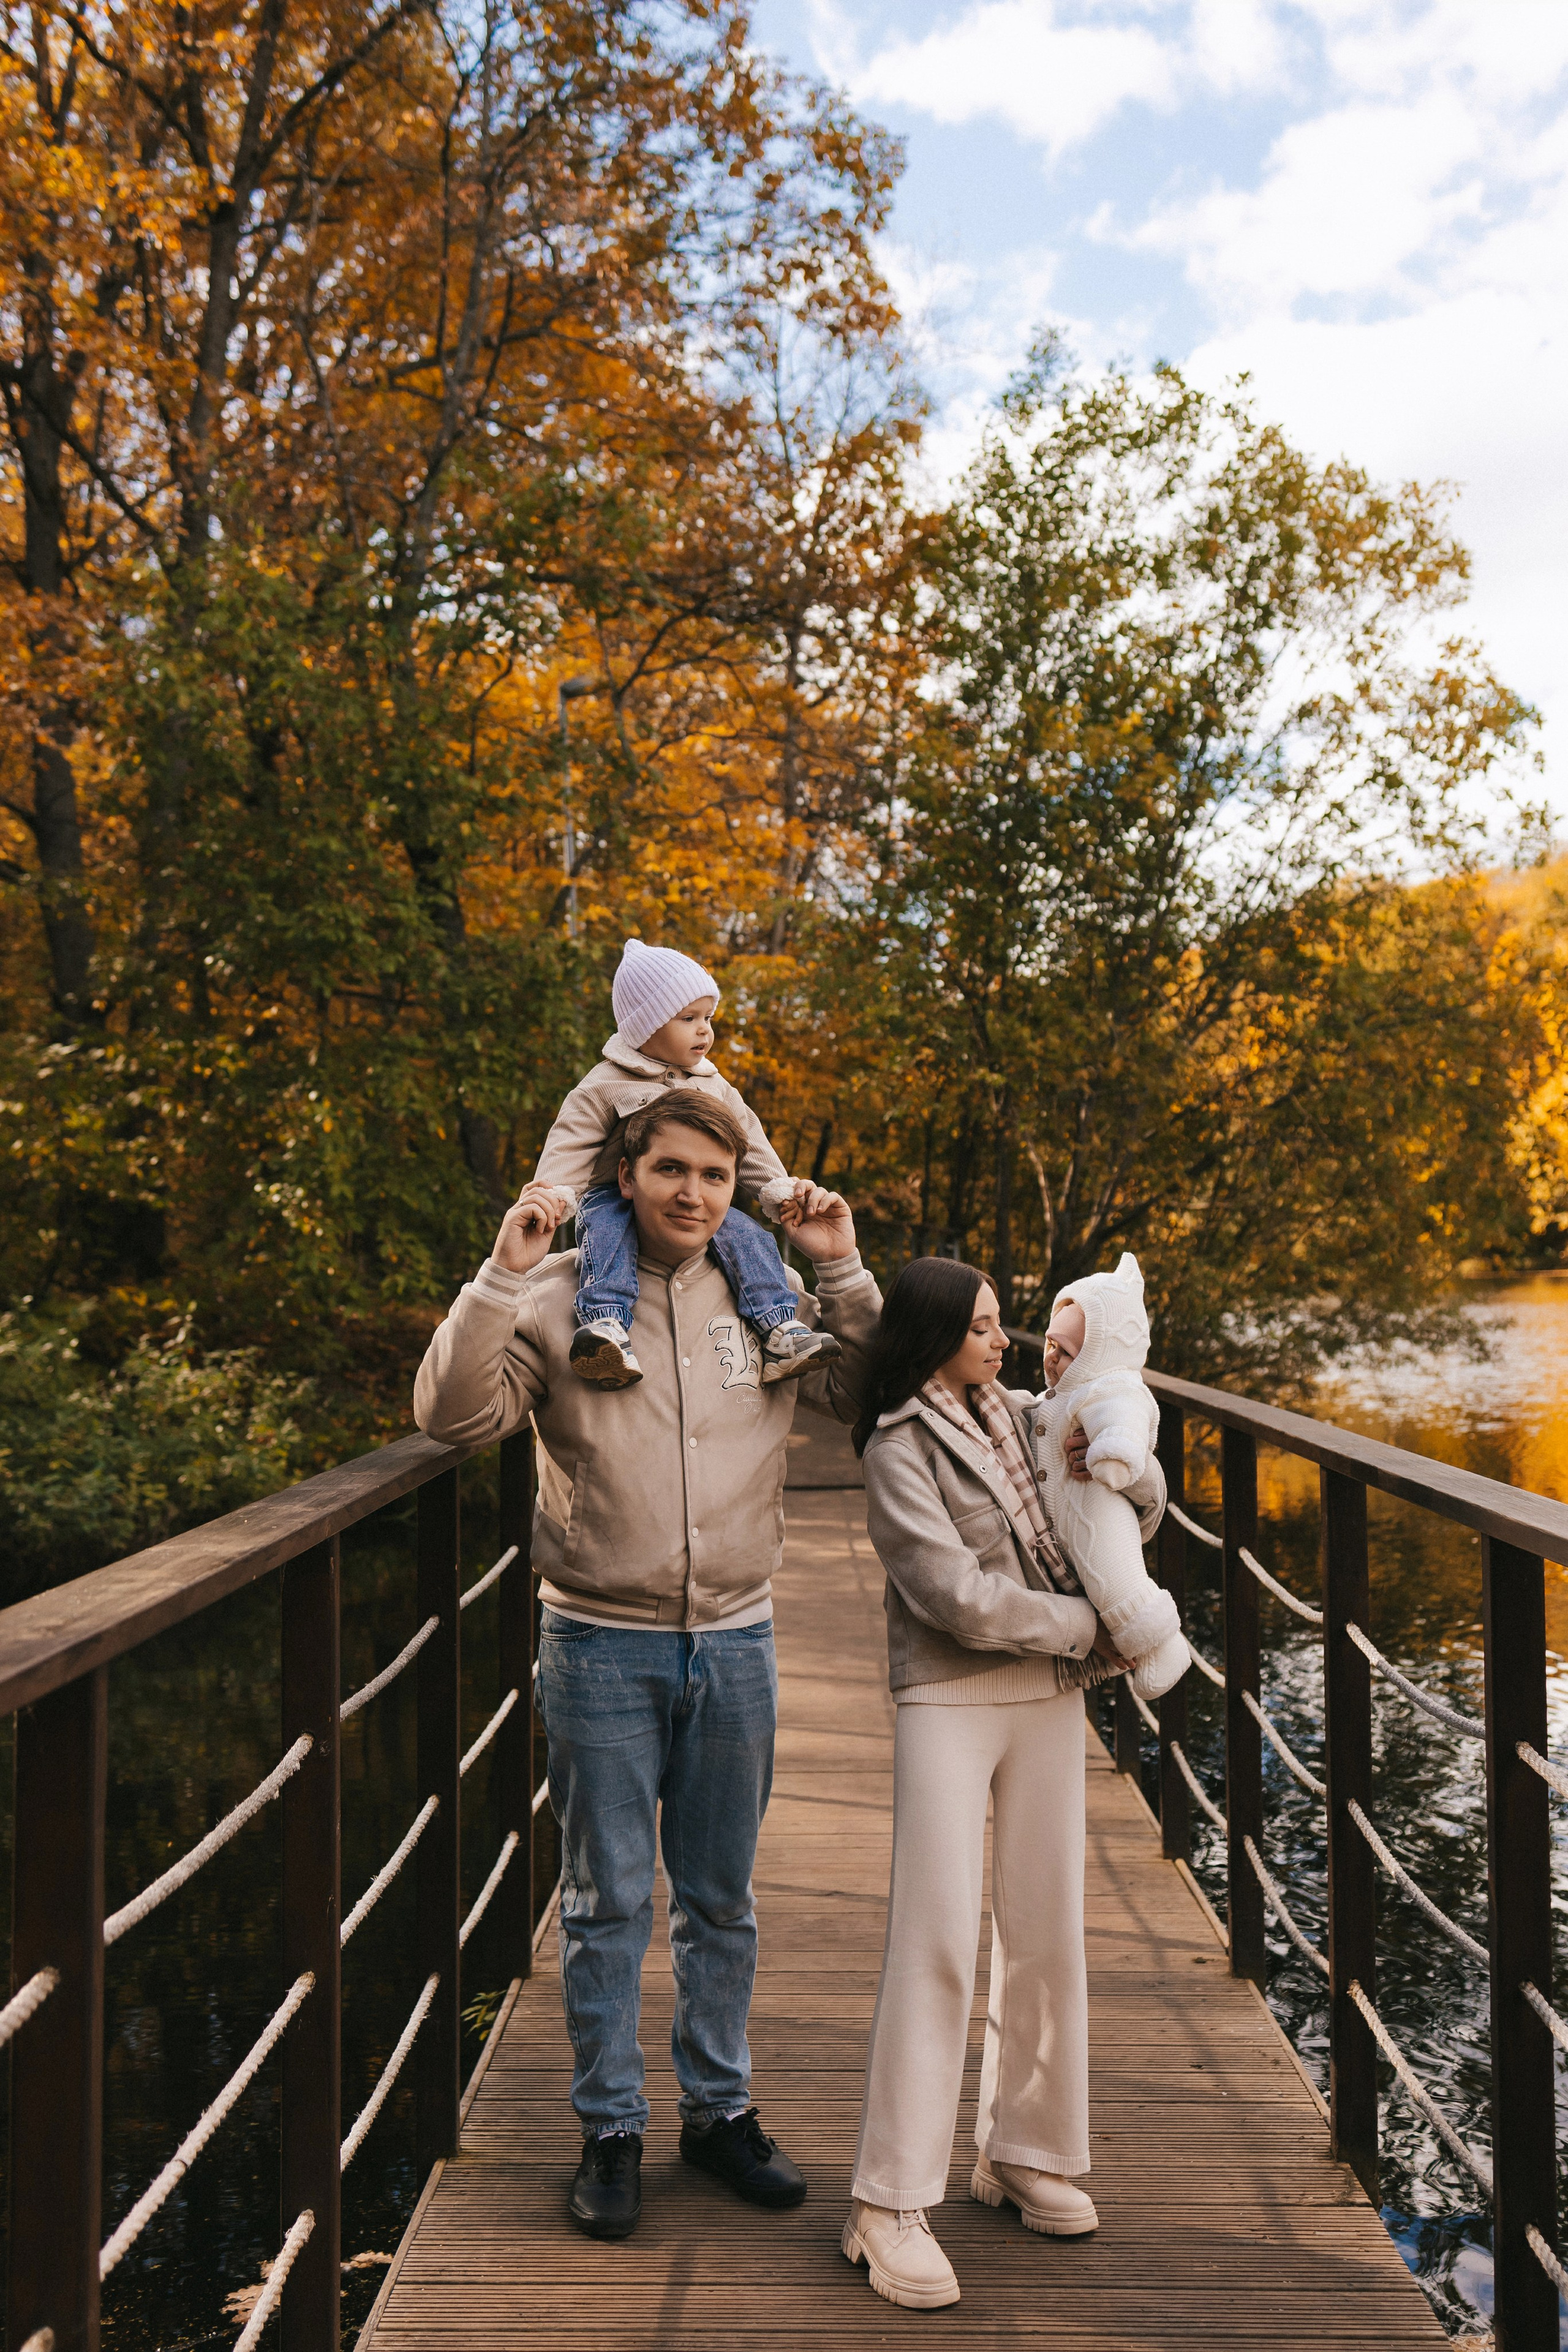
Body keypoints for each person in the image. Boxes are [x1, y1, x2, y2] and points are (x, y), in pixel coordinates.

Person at [413, 1090, 880, 2241]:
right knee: (606, 1900)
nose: (693, 1194)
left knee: (721, 1901)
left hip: (739, 1638)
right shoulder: (568, 1298)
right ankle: (610, 2129)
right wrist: (499, 1273)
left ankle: (718, 2115)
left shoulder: (769, 1301)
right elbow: (450, 1418)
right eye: (671, 1170)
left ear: (736, 1187)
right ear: (628, 1175)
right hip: (598, 1643)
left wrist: (846, 1271)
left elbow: (880, 1403)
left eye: (715, 1177)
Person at [840, 1257, 1166, 2311]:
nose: (1004, 1341)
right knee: (935, 1938)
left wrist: (1131, 1474)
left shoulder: (1026, 1414)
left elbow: (1114, 1500)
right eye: (982, 1326)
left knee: (1046, 1929)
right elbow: (956, 1598)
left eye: (1002, 1323)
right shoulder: (897, 1447)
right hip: (952, 1690)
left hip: (1051, 1694)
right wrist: (1096, 1628)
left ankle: (1021, 2151)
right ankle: (886, 2203)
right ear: (933, 1333)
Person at [524, 936, 839, 1389]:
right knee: (608, 1230)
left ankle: (779, 1328)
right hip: (616, 1195)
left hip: (688, 1202)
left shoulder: (715, 1087)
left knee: (747, 1233)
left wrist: (779, 1188)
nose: (705, 1031)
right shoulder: (607, 1084)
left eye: (708, 1018)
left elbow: (749, 1138)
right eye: (688, 1018)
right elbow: (571, 1141)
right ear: (644, 1027)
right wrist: (553, 1194)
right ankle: (606, 1326)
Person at [1030, 1253, 1189, 1700]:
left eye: (1068, 1353)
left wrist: (1115, 1452)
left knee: (1117, 1575)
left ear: (1098, 1356)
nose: (1052, 1358)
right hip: (1070, 1526)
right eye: (1050, 1344)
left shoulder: (1108, 1387)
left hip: (1098, 1503)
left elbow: (1122, 1415)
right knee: (1102, 1582)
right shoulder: (1052, 1397)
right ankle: (1150, 1645)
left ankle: (1162, 1643)